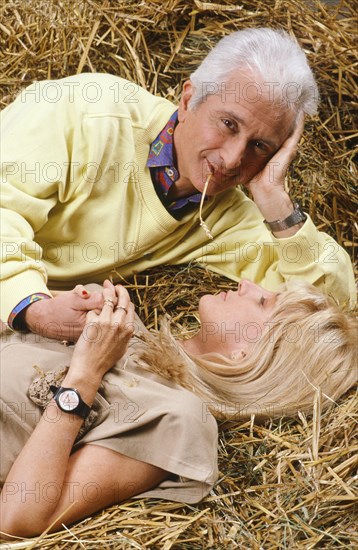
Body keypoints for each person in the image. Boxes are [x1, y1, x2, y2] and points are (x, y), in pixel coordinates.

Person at [0, 28, 355, 342]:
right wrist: (34, 309)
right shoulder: (83, 113)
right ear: (188, 100)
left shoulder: (225, 218)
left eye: (259, 146)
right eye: (229, 123)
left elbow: (330, 307)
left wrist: (275, 200)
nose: (233, 159)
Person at [0, 278, 357, 538]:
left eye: (264, 302)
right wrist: (36, 314)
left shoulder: (178, 417)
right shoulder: (125, 326)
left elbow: (18, 518)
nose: (247, 283)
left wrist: (84, 375)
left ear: (249, 355)